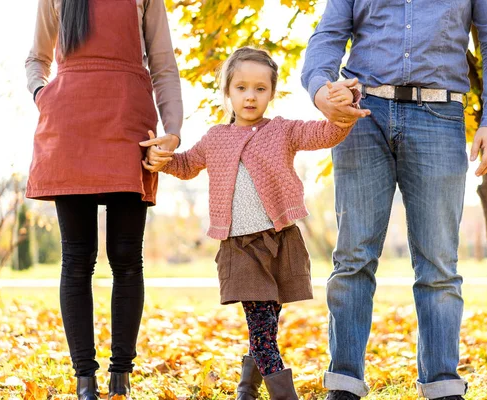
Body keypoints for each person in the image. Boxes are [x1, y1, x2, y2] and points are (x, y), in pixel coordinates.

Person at [301, 1, 487, 399]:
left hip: (439, 114)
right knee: (353, 257)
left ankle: (441, 386)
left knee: (438, 262)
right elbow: (328, 35)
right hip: (361, 113)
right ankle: (344, 384)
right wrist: (320, 91)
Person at [140, 46, 369, 399]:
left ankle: (247, 388)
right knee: (262, 328)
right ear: (228, 91)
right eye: (241, 88)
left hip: (279, 242)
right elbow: (186, 165)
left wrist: (345, 109)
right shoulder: (216, 138)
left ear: (272, 93)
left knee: (265, 326)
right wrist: (162, 159)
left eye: (260, 89)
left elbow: (325, 134)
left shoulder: (283, 131)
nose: (250, 96)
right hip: (239, 247)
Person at [25, 0, 183, 398]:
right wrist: (44, 94)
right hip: (68, 124)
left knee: (127, 257)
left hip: (129, 123)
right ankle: (85, 379)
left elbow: (163, 64)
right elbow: (36, 59)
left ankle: (121, 376)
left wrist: (174, 131)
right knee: (77, 260)